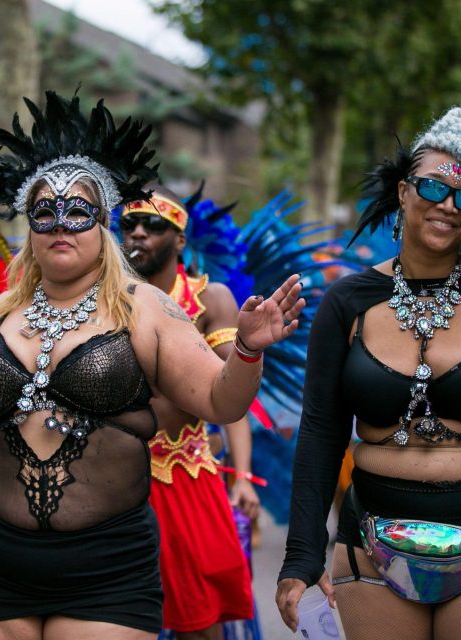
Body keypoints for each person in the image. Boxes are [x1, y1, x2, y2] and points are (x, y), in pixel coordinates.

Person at [0, 91, 304, 639]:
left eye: (78, 211)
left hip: (105, 566)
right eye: (44, 213)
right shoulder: (3, 310)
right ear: (30, 230)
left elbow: (219, 399)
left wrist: (249, 350)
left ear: (101, 225)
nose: (60, 223)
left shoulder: (146, 308)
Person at [277, 107, 461, 640]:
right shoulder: (347, 301)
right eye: (434, 188)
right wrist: (301, 555)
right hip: (372, 546)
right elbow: (320, 432)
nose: (448, 205)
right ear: (405, 191)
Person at [121, 190, 257, 638]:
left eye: (154, 225)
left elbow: (231, 397)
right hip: (114, 474)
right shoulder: (106, 301)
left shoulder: (210, 299)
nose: (139, 232)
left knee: (197, 621)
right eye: (130, 224)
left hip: (184, 472)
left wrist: (240, 475)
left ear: (180, 240)